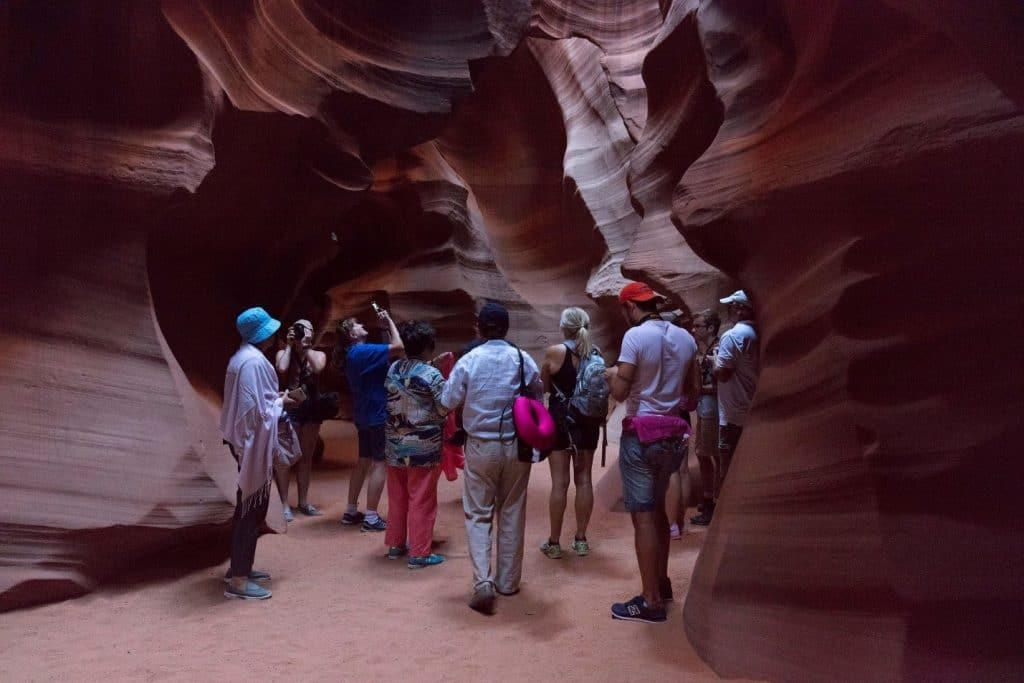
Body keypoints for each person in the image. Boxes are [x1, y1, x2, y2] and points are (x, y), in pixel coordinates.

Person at [605, 282, 699, 624]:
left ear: (630, 307)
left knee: (643, 516)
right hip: (674, 434)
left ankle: (650, 601)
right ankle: (662, 582)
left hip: (642, 435)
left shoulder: (635, 337)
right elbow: (694, 390)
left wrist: (610, 374)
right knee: (658, 512)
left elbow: (620, 390)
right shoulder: (686, 338)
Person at [441, 302, 542, 615]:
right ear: (507, 328)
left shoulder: (470, 360)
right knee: (512, 509)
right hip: (517, 446)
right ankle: (508, 582)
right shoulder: (524, 359)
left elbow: (447, 401)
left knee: (479, 513)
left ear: (480, 328)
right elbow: (537, 398)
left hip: (481, 446)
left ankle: (482, 581)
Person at [220, 306, 299, 600]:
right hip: (253, 446)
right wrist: (283, 402)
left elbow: (252, 405)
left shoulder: (242, 357)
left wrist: (275, 400)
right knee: (252, 509)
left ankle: (239, 568)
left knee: (247, 508)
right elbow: (257, 413)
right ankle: (239, 581)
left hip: (247, 443)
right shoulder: (252, 362)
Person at [383, 320, 449, 568]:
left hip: (394, 444)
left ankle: (395, 545)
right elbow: (444, 406)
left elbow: (410, 379)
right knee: (421, 498)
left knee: (397, 496)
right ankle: (420, 553)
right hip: (424, 447)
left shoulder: (393, 368)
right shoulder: (432, 375)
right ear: (429, 346)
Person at [539, 307, 602, 559]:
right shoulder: (595, 353)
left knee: (560, 483)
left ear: (563, 326)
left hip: (560, 422)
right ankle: (581, 540)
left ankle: (554, 543)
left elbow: (544, 386)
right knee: (584, 478)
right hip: (587, 422)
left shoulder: (555, 352)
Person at [335, 308, 405, 532]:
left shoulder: (352, 355)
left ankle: (351, 510)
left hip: (363, 413)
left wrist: (384, 327)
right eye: (356, 324)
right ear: (352, 335)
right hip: (377, 414)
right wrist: (390, 322)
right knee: (379, 462)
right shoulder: (363, 352)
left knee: (363, 459)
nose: (361, 324)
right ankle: (372, 517)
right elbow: (399, 347)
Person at [274, 319, 327, 522]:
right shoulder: (283, 352)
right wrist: (289, 345)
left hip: (311, 409)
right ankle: (284, 503)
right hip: (291, 407)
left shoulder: (318, 354)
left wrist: (306, 347)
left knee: (306, 457)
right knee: (287, 457)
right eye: (300, 328)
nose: (304, 332)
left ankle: (303, 502)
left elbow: (318, 367)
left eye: (308, 329)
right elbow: (282, 368)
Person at [714, 290, 760, 488]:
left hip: (733, 414)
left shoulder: (732, 336)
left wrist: (714, 359)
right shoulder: (756, 332)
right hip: (752, 405)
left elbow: (722, 373)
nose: (728, 311)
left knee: (729, 470)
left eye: (731, 307)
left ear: (741, 309)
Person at [689, 309, 722, 526]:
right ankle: (710, 499)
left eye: (698, 326)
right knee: (706, 454)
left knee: (709, 455)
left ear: (710, 328)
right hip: (706, 408)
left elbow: (720, 384)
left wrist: (698, 390)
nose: (694, 329)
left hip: (712, 409)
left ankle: (713, 502)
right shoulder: (708, 349)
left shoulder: (717, 350)